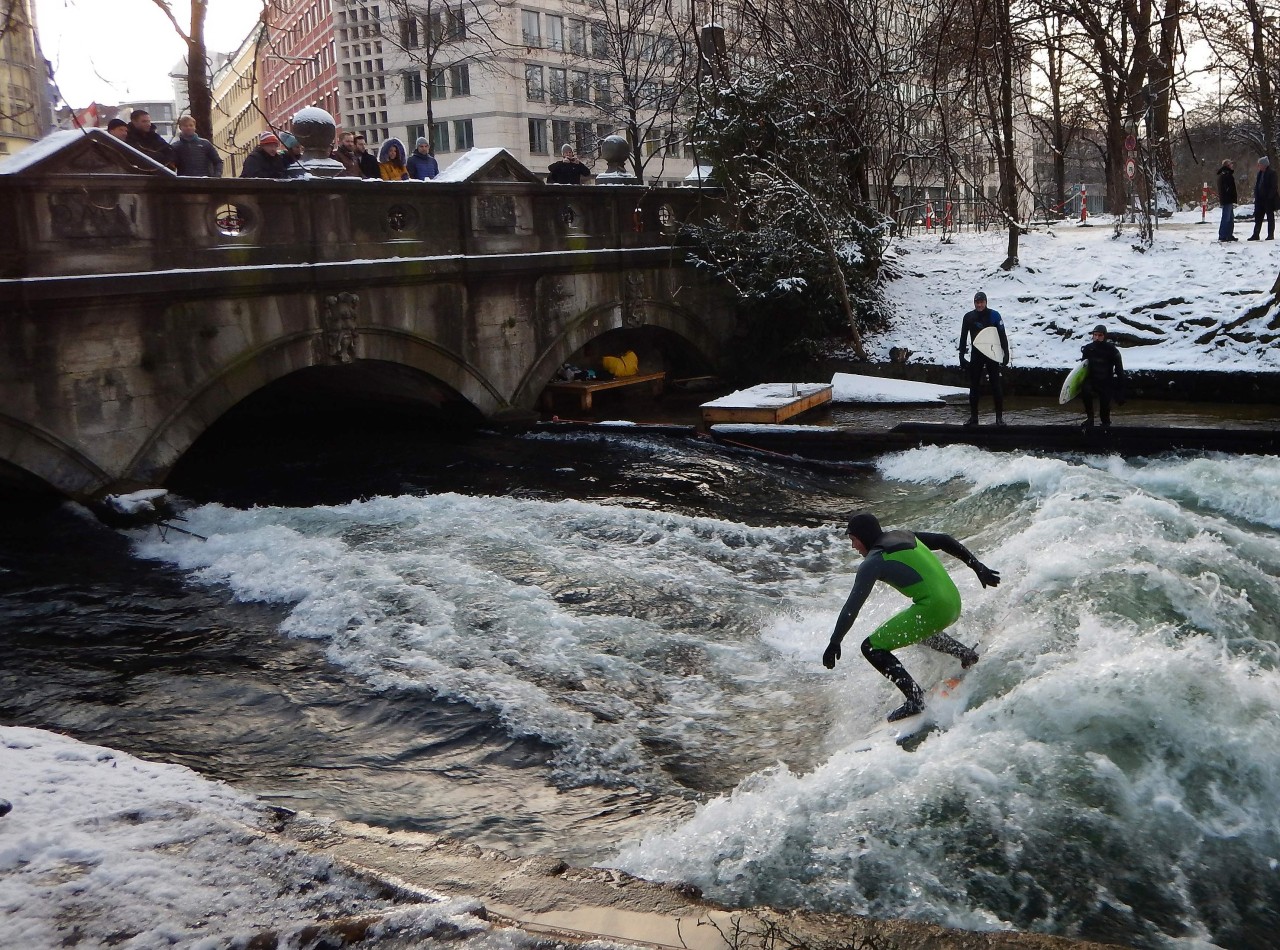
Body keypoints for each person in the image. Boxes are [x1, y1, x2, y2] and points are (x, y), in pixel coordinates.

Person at [822, 513, 999, 723]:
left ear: (862, 536)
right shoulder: (904, 536)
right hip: (953, 602)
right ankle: (965, 654)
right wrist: (977, 567)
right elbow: (944, 540)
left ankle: (915, 699)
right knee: (914, 630)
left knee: (871, 647)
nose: (853, 546)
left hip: (935, 608)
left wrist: (835, 641)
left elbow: (852, 606)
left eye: (853, 540)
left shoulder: (873, 562)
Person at [957, 290, 1009, 426]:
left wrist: (1006, 352)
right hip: (977, 354)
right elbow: (963, 337)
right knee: (974, 386)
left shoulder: (994, 315)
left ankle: (999, 418)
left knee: (995, 384)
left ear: (986, 302)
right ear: (974, 303)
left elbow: (1002, 335)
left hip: (992, 353)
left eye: (981, 302)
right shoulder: (968, 317)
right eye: (977, 302)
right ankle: (974, 418)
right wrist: (961, 355)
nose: (979, 305)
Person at [1079, 324, 1125, 430]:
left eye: (1099, 335)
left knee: (1105, 408)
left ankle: (1106, 424)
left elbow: (1119, 371)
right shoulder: (1088, 349)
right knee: (1086, 390)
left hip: (1106, 381)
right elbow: (1082, 368)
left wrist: (1121, 391)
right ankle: (1090, 418)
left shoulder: (1112, 351)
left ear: (1104, 336)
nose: (1097, 338)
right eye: (1095, 335)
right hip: (1092, 380)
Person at [1247, 156, 1278, 241]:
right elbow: (1257, 185)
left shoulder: (1272, 173)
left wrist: (1269, 197)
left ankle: (1270, 234)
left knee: (1270, 217)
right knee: (1258, 218)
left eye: (1259, 164)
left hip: (1268, 200)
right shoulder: (1260, 173)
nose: (1258, 166)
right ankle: (1256, 234)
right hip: (1259, 200)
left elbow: (1274, 187)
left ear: (1264, 165)